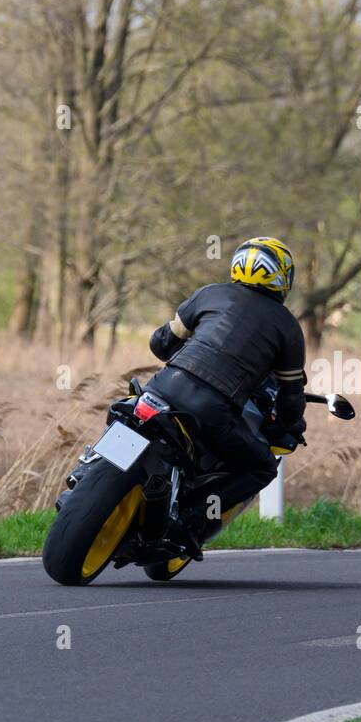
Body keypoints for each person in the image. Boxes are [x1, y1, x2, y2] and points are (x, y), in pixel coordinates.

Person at [146, 237, 307, 556]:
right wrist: (286, 425)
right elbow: (291, 396)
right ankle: (192, 520)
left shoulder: (209, 293)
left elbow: (161, 344)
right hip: (212, 411)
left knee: (126, 411)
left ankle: (89, 465)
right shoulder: (287, 327)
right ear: (282, 277)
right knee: (261, 466)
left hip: (162, 386)